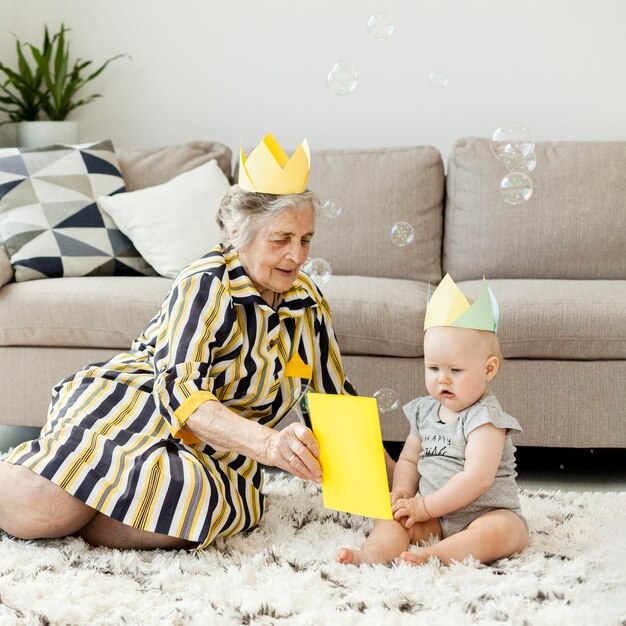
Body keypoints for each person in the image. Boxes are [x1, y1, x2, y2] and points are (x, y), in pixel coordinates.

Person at [0, 133, 394, 550]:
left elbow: (336, 402)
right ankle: (55, 493)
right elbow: (181, 395)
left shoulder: (307, 301)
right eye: (281, 239)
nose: (297, 255)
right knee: (41, 510)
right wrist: (269, 443)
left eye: (305, 239)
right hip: (143, 408)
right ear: (241, 234)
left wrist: (401, 489)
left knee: (182, 514)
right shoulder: (206, 283)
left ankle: (81, 497)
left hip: (222, 452)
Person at [337, 274, 528, 566]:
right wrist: (402, 491)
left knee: (505, 531)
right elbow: (410, 459)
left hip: (483, 514)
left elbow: (476, 479)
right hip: (435, 518)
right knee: (393, 515)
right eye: (433, 367)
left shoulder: (486, 420)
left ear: (488, 369)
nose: (443, 379)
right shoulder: (425, 411)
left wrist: (424, 505)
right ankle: (374, 555)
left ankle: (433, 556)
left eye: (456, 370)